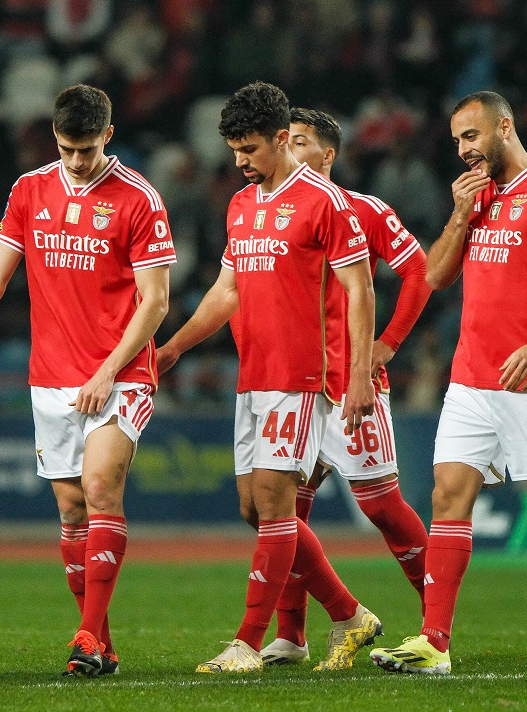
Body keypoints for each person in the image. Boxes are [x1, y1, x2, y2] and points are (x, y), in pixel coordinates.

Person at [0, 84, 175, 678]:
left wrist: (107, 370)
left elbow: (156, 301)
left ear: (108, 137)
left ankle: (87, 638)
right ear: (54, 138)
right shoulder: (29, 189)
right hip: (52, 372)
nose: (75, 161)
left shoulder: (139, 199)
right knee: (71, 512)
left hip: (120, 372)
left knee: (99, 490)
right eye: (66, 148)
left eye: (87, 149)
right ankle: (103, 644)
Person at [371, 91, 527, 675]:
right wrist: (458, 215)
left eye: (472, 137)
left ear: (505, 127)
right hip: (472, 376)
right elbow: (435, 275)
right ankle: (433, 642)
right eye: (456, 141)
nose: (464, 151)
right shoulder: (476, 199)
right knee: (448, 496)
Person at [156, 82, 382, 673]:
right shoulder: (240, 205)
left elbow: (360, 288)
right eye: (234, 149)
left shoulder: (324, 202)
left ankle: (248, 643)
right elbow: (228, 291)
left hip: (301, 376)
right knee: (255, 511)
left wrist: (359, 374)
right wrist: (174, 346)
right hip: (253, 375)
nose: (239, 161)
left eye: (250, 149)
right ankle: (350, 614)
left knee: (278, 505)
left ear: (283, 139)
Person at [258, 107, 431, 666]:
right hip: (293, 384)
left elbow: (420, 271)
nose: (289, 149)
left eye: (301, 141)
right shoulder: (271, 210)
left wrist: (387, 345)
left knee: (381, 505)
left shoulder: (362, 209)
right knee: (286, 513)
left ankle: (436, 623)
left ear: (327, 154)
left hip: (347, 385)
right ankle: (292, 635)